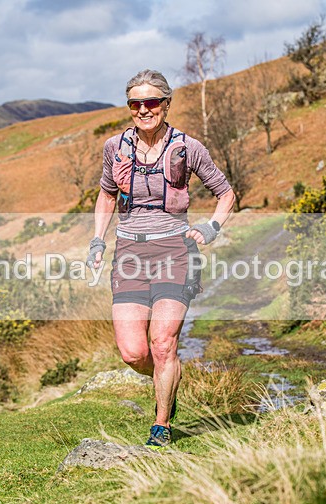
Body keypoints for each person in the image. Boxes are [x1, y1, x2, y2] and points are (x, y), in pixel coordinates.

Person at [87, 69, 235, 448]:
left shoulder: (188, 148)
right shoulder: (114, 147)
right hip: (129, 254)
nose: (143, 109)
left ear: (166, 104)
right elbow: (106, 195)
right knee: (134, 352)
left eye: (151, 101)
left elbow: (226, 193)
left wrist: (212, 227)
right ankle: (166, 382)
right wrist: (96, 241)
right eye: (135, 103)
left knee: (163, 343)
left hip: (174, 251)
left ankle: (161, 423)